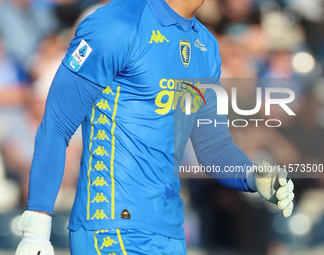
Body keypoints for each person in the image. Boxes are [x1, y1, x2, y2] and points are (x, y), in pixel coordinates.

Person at [15, 0, 295, 254]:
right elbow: (57, 124)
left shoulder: (206, 46)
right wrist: (36, 229)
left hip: (170, 231)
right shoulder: (117, 23)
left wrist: (253, 176)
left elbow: (214, 148)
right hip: (111, 226)